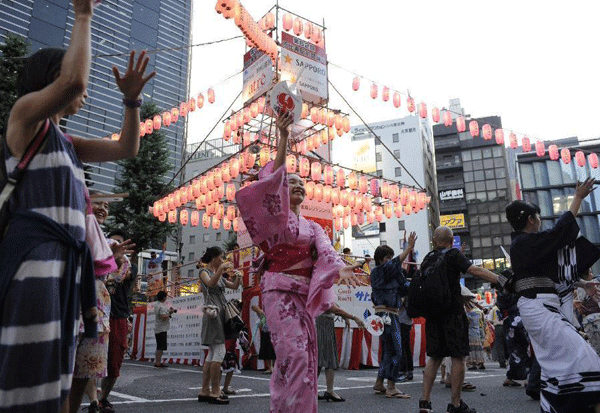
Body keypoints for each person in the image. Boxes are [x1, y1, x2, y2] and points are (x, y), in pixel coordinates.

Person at [0, 0, 154, 410]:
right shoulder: (24, 118)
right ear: (52, 78)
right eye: (75, 81)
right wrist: (83, 13)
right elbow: (71, 82)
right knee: (27, 366)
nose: (82, 91)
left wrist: (132, 104)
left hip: (67, 267)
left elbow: (127, 147)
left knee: (58, 368)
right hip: (36, 260)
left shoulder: (67, 143)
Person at [235, 111, 361, 413]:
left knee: (301, 357)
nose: (299, 186)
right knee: (296, 356)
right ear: (280, 191)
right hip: (279, 294)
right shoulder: (275, 219)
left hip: (302, 296)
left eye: (302, 184)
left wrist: (339, 268)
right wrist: (282, 139)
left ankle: (286, 407)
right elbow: (272, 180)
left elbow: (326, 251)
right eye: (291, 183)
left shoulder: (313, 227)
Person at [506, 181, 600, 413]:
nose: (540, 221)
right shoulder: (524, 243)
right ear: (531, 219)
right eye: (537, 216)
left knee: (558, 363)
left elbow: (556, 274)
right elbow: (559, 233)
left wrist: (583, 283)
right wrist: (577, 198)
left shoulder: (528, 247)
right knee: (584, 356)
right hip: (539, 308)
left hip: (543, 307)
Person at [419, 226, 500, 413]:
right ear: (452, 239)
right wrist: (500, 279)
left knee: (434, 357)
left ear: (433, 240)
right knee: (458, 356)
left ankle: (425, 402)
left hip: (433, 315)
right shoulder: (453, 255)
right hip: (452, 313)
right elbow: (475, 271)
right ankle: (455, 404)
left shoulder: (428, 258)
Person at [69, 195, 133, 413]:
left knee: (84, 371)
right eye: (98, 202)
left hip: (97, 310)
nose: (102, 208)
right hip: (70, 305)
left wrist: (113, 260)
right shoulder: (72, 228)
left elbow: (116, 276)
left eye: (106, 206)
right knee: (61, 371)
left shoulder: (109, 244)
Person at [370, 235, 416, 399]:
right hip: (387, 314)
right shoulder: (377, 271)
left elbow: (405, 287)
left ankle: (380, 382)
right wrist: (409, 248)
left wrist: (420, 279)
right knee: (396, 350)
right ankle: (391, 385)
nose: (391, 260)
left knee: (388, 351)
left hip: (390, 314)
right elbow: (393, 265)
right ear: (381, 260)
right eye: (388, 258)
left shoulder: (391, 274)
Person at [100, 229, 139, 413]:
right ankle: (93, 399)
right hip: (97, 315)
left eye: (118, 242)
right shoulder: (96, 262)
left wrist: (116, 259)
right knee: (90, 360)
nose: (114, 245)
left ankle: (102, 398)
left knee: (114, 362)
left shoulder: (129, 265)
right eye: (111, 242)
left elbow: (119, 276)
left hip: (118, 316)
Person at [197, 246, 241, 405]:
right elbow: (210, 284)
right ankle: (215, 391)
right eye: (221, 257)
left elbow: (234, 287)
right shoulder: (204, 272)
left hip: (220, 315)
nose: (223, 260)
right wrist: (221, 269)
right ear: (214, 258)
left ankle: (204, 390)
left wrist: (239, 277)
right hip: (213, 315)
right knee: (219, 351)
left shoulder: (219, 275)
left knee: (212, 353)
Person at [316, 304, 364, 402]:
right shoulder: (321, 289)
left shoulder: (322, 289)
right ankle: (329, 390)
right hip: (323, 323)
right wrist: (353, 317)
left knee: (318, 359)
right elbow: (331, 307)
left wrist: (344, 316)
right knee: (329, 358)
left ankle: (312, 390)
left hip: (322, 323)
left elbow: (333, 305)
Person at [495, 270, 530, 388]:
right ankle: (528, 377)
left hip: (508, 321)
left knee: (513, 350)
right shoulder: (517, 289)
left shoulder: (501, 293)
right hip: (520, 318)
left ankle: (510, 377)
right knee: (525, 347)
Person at [463, 288, 486, 371]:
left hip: (470, 332)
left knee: (471, 348)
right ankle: (480, 362)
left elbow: (467, 323)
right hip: (478, 330)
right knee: (479, 348)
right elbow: (484, 322)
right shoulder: (478, 312)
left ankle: (472, 363)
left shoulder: (468, 314)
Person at [251, 304, 276, 374]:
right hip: (265, 331)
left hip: (271, 331)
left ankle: (273, 367)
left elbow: (266, 315)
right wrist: (257, 311)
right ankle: (270, 367)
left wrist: (258, 310)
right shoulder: (262, 311)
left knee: (271, 349)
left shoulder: (271, 310)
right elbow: (261, 318)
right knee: (266, 349)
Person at [154, 291, 175, 368]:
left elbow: (162, 314)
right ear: (163, 297)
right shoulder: (161, 306)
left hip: (158, 328)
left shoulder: (157, 304)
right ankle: (158, 363)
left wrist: (168, 312)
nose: (166, 298)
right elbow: (163, 316)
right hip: (161, 329)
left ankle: (157, 362)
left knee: (159, 346)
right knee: (160, 347)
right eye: (166, 296)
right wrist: (170, 313)